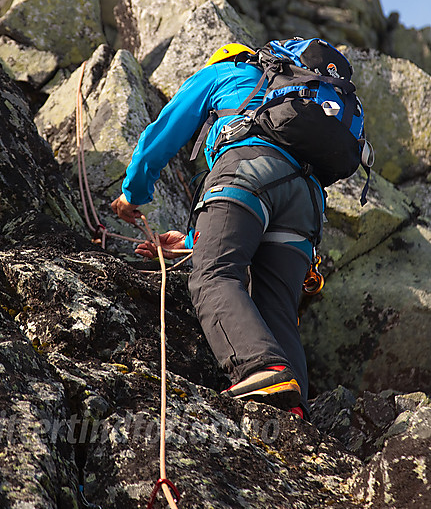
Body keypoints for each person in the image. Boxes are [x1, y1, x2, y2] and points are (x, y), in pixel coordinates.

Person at [111, 43, 326, 419]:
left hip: (248, 171)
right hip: (306, 199)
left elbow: (164, 132)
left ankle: (260, 368)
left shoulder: (221, 73)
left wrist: (133, 193)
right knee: (276, 305)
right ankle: (295, 409)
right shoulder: (292, 90)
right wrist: (193, 241)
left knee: (212, 275)